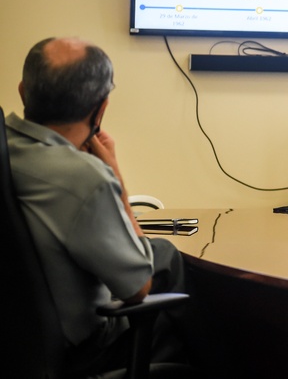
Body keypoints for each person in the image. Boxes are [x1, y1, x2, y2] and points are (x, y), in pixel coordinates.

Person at [4, 37, 190, 375]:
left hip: (19, 345)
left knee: (161, 253)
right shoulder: (84, 177)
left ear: (22, 91)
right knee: (170, 262)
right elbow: (138, 290)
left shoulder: (7, 149)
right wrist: (113, 175)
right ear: (101, 108)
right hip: (84, 352)